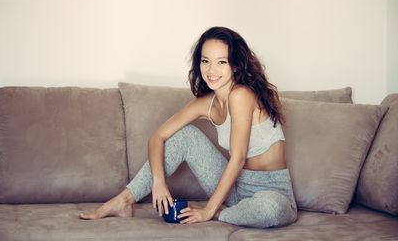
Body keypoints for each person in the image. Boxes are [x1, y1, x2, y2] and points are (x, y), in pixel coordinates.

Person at [79, 26, 297, 228]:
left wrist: (209, 211)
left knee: (272, 210)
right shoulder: (207, 103)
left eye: (221, 62)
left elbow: (238, 158)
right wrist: (158, 182)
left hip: (272, 193)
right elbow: (157, 137)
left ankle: (224, 213)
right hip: (236, 189)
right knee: (185, 136)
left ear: (236, 64)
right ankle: (124, 200)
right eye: (205, 61)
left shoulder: (241, 95)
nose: (212, 70)